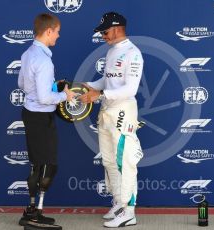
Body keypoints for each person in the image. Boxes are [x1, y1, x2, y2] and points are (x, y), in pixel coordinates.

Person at [80, 12, 144, 228]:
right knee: (109, 160)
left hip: (123, 112)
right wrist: (88, 86)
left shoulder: (132, 54)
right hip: (107, 110)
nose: (102, 36)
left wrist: (100, 95)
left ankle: (129, 212)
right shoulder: (111, 52)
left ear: (117, 28)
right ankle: (119, 203)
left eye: (105, 32)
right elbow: (107, 81)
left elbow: (130, 89)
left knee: (125, 162)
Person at [17, 13, 75, 227]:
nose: (58, 36)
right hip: (41, 117)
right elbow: (44, 98)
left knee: (38, 164)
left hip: (30, 114)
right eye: (57, 32)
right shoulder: (43, 60)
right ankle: (34, 215)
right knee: (48, 166)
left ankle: (32, 210)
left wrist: (51, 85)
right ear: (48, 31)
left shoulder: (27, 54)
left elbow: (23, 84)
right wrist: (64, 95)